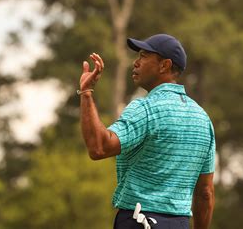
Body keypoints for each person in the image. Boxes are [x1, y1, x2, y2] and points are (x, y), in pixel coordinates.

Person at [79, 34, 216, 229]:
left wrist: (86, 93)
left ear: (164, 65)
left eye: (143, 56)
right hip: (179, 224)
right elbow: (205, 193)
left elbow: (99, 147)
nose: (135, 62)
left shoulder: (145, 108)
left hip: (138, 221)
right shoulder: (203, 119)